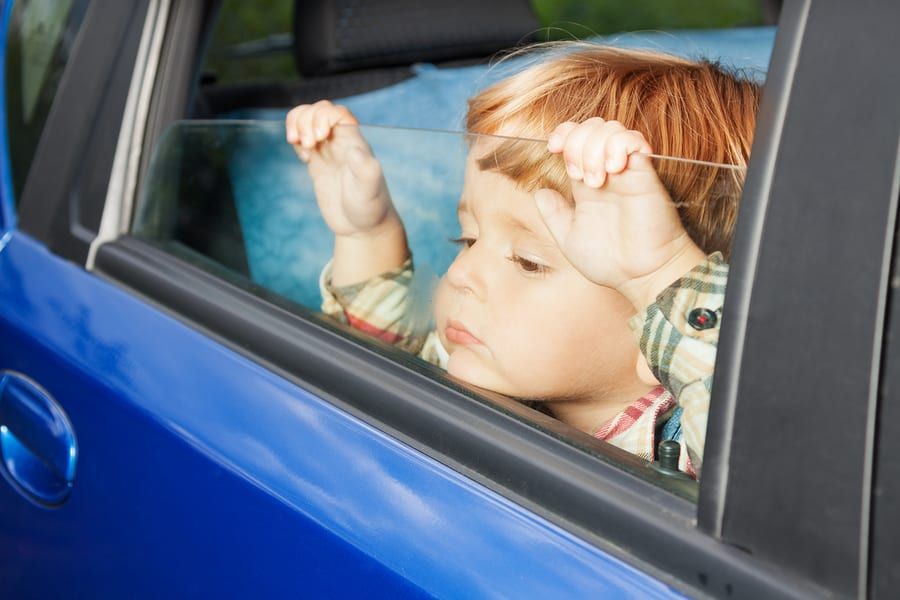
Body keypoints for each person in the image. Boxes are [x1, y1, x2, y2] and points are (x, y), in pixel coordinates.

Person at [285, 45, 760, 477]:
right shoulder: (496, 368)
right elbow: (379, 364)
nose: (461, 274)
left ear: (653, 326)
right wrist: (366, 233)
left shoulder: (701, 455)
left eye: (529, 262)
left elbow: (765, 465)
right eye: (468, 239)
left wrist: (658, 270)